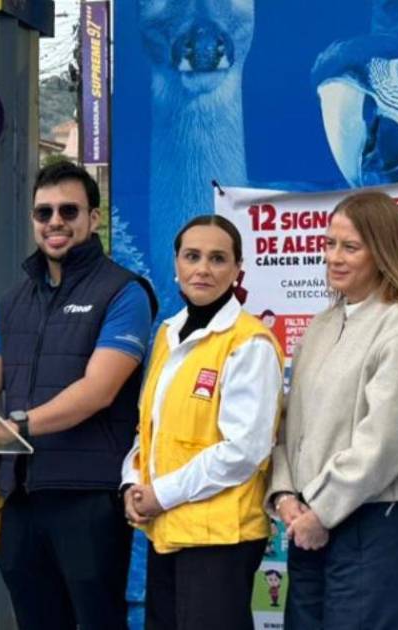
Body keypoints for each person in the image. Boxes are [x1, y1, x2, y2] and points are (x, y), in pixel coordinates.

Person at [0, 161, 157, 629]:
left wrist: (16, 427)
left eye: (68, 211)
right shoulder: (12, 303)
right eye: (44, 212)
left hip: (89, 495)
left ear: (93, 218)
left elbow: (99, 390)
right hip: (22, 495)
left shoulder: (125, 293)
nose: (55, 222)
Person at [266, 191, 398, 629]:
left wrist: (321, 511)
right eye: (329, 244)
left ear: (382, 253)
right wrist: (285, 495)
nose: (334, 257)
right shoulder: (321, 325)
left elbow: (386, 442)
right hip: (309, 527)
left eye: (351, 247)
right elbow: (289, 426)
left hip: (373, 529)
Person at [121, 215, 284, 630]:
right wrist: (131, 483)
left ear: (237, 269)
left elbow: (244, 451)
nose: (203, 269)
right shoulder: (167, 334)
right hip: (168, 530)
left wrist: (161, 494)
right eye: (192, 256)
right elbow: (150, 429)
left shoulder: (249, 342)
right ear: (176, 263)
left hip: (221, 539)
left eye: (218, 258)